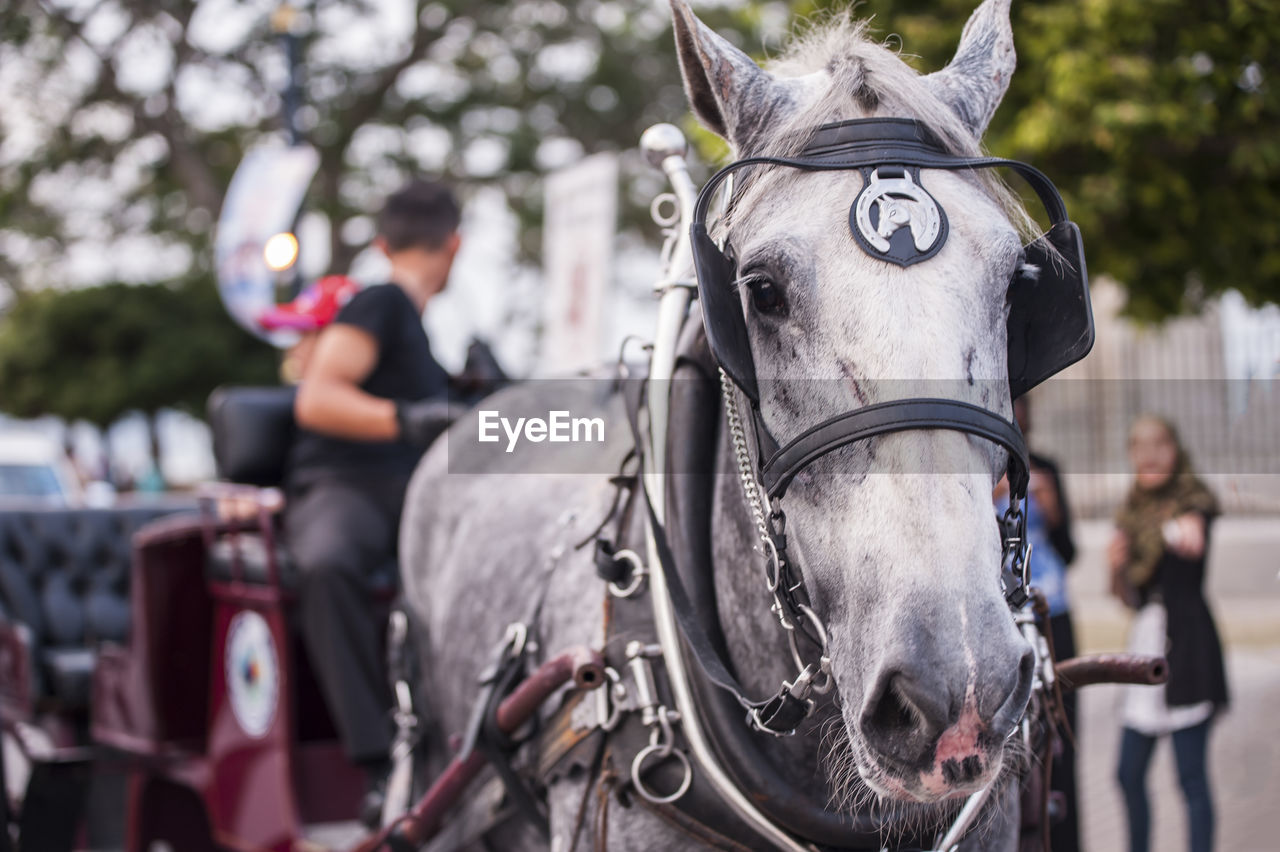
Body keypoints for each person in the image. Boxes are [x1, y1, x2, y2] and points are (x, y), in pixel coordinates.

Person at [283, 179, 463, 799]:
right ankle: (378, 766)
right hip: (345, 484)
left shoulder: (417, 331)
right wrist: (406, 420)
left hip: (415, 492)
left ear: (384, 242)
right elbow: (318, 399)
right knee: (328, 565)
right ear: (455, 245)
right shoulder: (381, 302)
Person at [1109, 414, 1227, 852]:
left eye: (1159, 444)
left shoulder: (1191, 500)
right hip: (1146, 646)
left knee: (1190, 777)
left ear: (1175, 450)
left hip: (1188, 651)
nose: (1150, 455)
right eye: (1139, 446)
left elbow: (1195, 534)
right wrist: (1118, 567)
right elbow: (1128, 598)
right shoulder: (1131, 510)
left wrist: (1187, 529)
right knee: (1127, 772)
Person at [994, 396, 1080, 851]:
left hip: (1052, 615)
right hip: (1002, 620)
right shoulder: (978, 470)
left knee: (1062, 739)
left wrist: (1052, 507)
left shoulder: (1046, 467)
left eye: (1023, 405)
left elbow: (1070, 551)